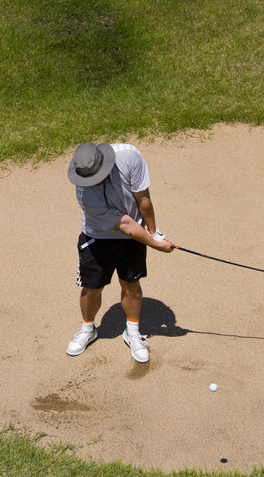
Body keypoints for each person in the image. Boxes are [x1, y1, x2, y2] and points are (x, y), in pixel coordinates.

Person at [66, 142, 176, 363]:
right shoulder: (85, 195)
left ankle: (132, 331)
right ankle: (88, 329)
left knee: (131, 284)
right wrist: (156, 245)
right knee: (92, 288)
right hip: (98, 237)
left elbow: (143, 198)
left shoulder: (129, 156)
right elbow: (124, 224)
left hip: (133, 237)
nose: (94, 181)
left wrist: (154, 233)